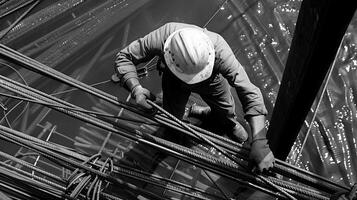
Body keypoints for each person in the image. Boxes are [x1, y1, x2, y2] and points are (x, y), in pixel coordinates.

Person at [114, 22, 274, 172]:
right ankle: (176, 131)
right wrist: (136, 89)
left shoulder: (219, 49)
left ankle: (223, 121)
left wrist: (260, 141)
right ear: (168, 53)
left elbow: (248, 90)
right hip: (173, 79)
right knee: (172, 117)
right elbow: (124, 57)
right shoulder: (162, 36)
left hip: (212, 79)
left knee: (225, 110)